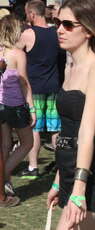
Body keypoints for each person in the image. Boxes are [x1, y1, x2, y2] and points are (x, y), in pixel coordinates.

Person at [46, 0, 95, 229]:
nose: (60, 30)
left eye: (67, 24)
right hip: (70, 165)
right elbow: (69, 128)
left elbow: (86, 130)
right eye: (57, 23)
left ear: (87, 30)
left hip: (92, 168)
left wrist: (78, 188)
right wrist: (58, 179)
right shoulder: (70, 66)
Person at [17, 0, 61, 179]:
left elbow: (15, 54)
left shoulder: (28, 33)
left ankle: (33, 167)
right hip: (53, 85)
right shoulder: (56, 32)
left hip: (34, 88)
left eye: (27, 13)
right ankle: (60, 165)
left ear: (32, 14)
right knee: (55, 128)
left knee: (34, 127)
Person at [0, 15, 36, 196]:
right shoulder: (18, 54)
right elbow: (24, 83)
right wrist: (32, 108)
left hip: (1, 105)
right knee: (27, 143)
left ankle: (5, 184)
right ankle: (3, 174)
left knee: (6, 144)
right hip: (16, 105)